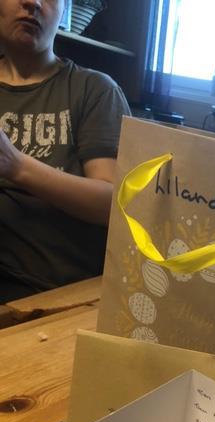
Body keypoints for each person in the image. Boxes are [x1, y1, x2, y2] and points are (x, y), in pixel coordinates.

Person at [0, 0, 131, 303]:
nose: (33, 3)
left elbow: (115, 205)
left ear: (64, 10)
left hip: (59, 295)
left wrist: (16, 165)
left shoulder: (95, 90)